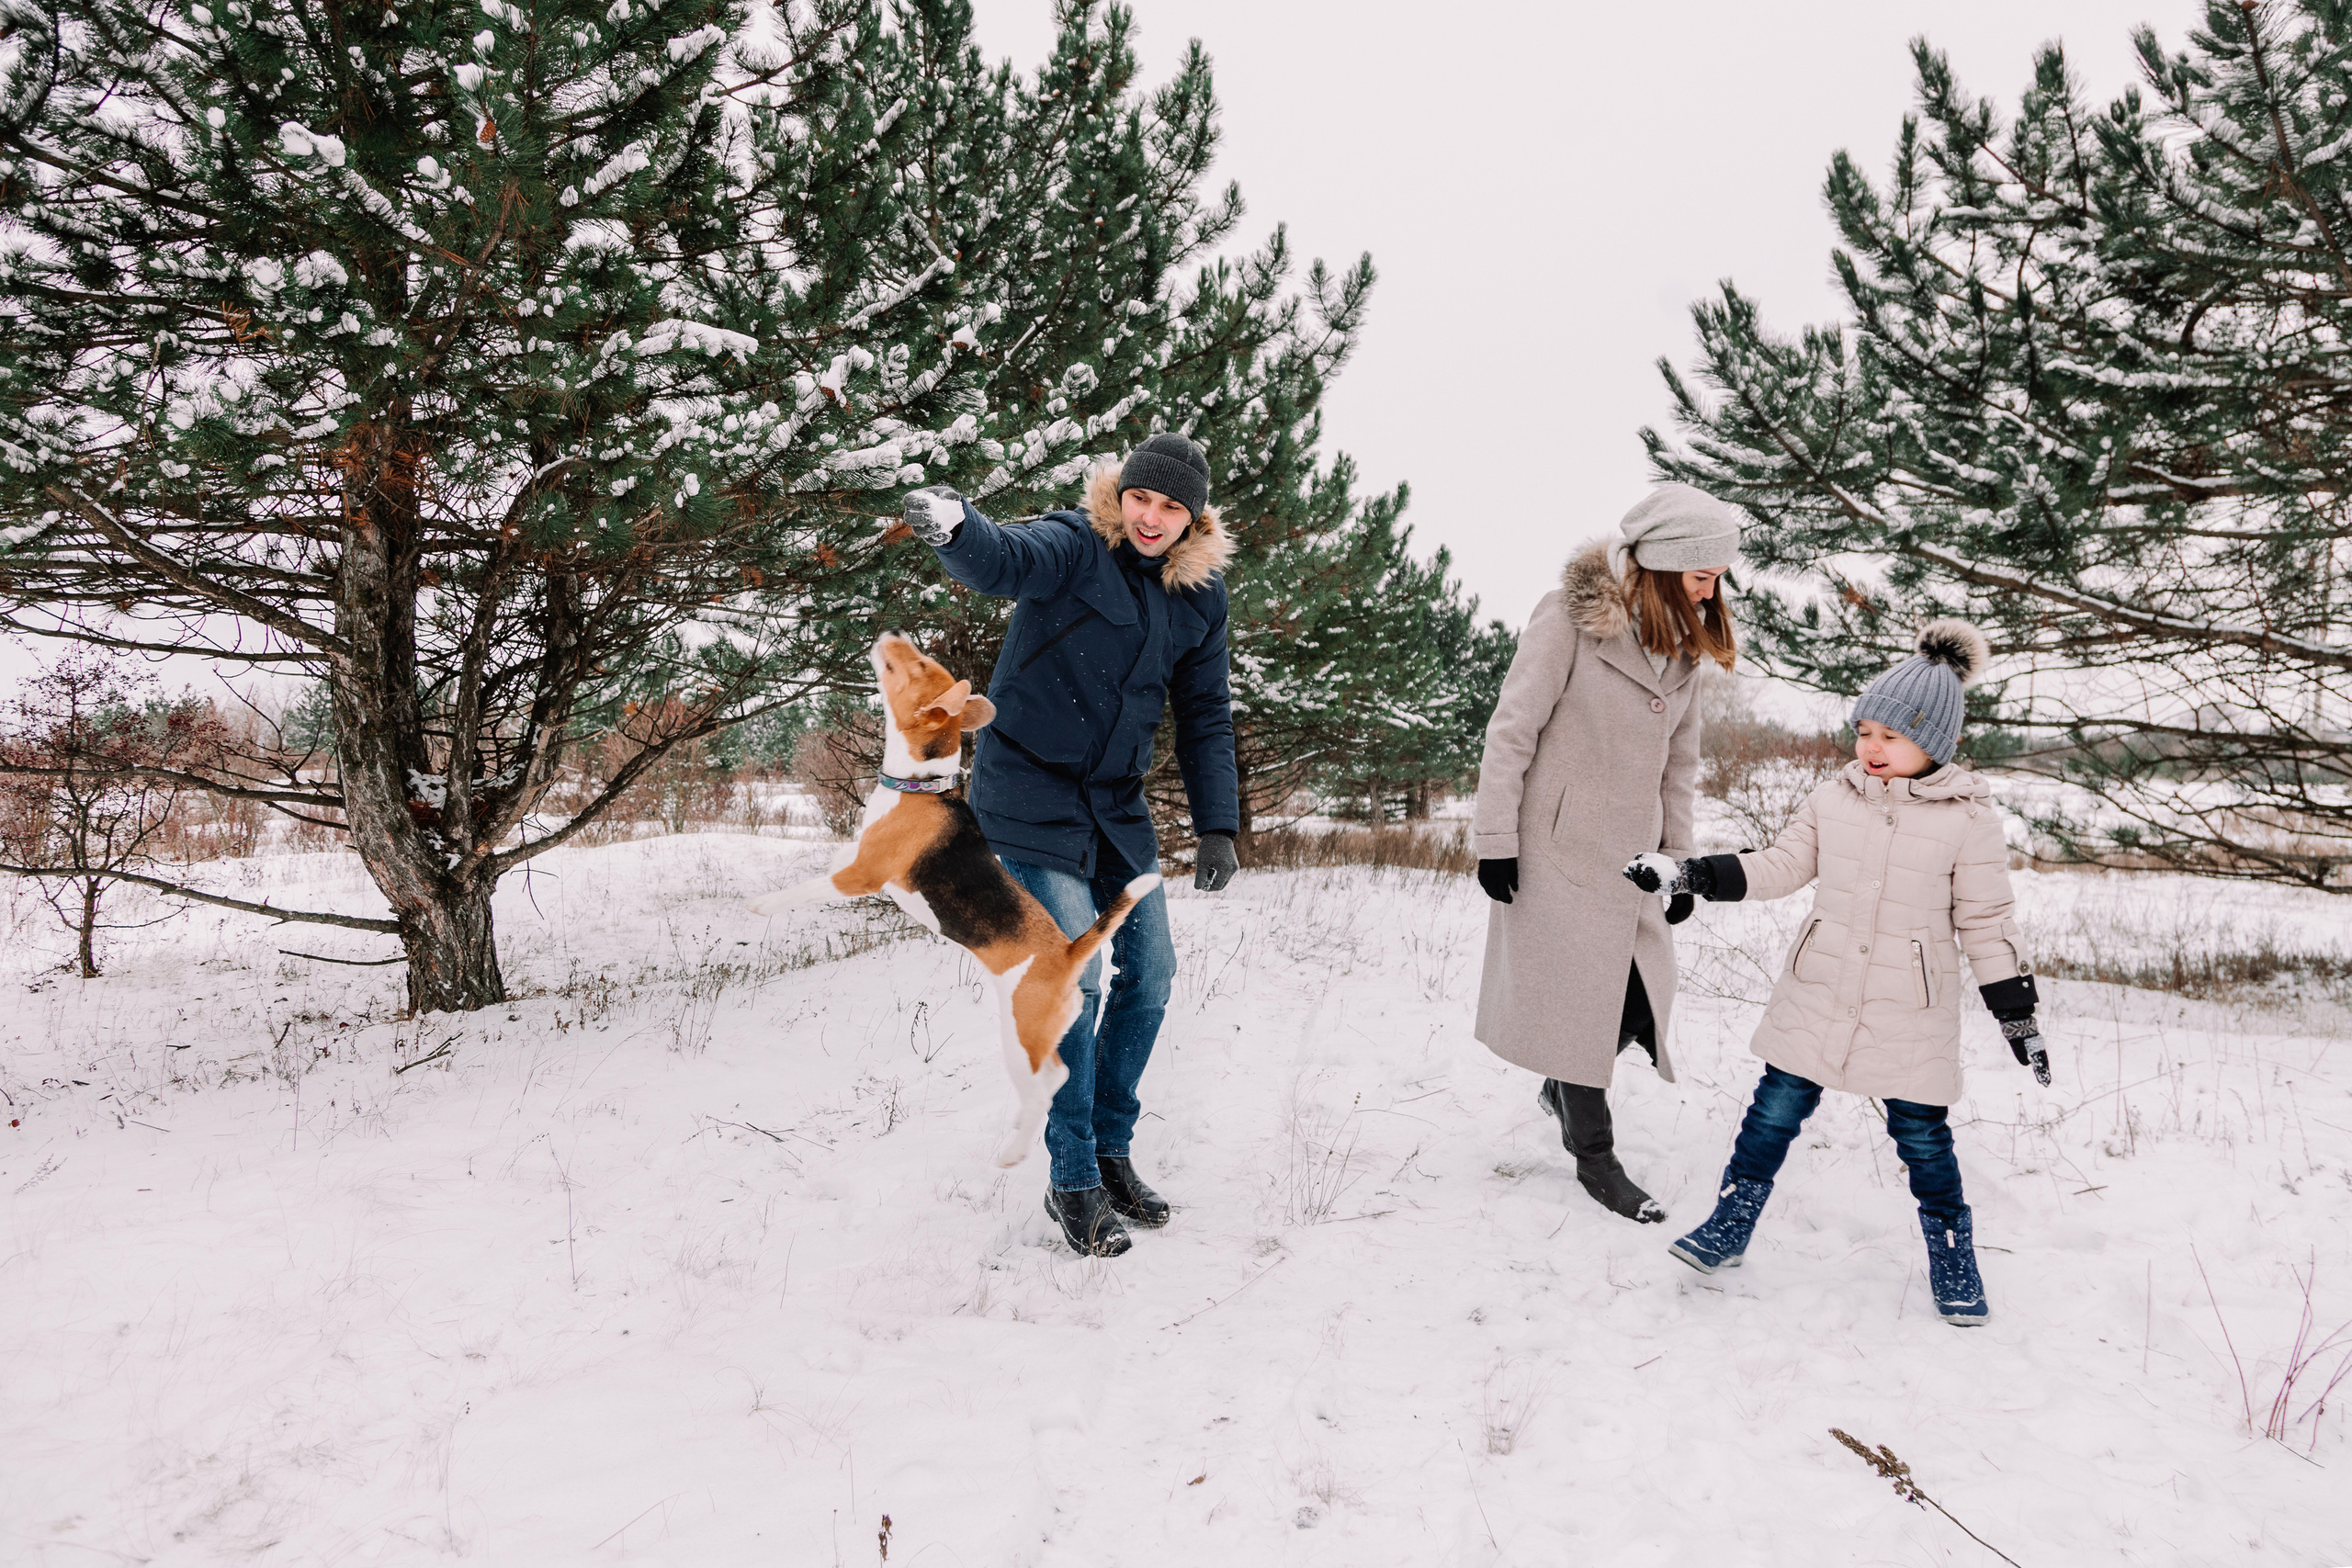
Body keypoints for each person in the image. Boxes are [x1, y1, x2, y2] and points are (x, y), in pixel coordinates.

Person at [1623, 619, 2051, 1325]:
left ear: (1936, 743)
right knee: (1771, 1113)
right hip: (1819, 991)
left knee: (1923, 1139)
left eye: (1892, 735)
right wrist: (1689, 874)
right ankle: (1731, 1220)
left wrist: (2017, 1015)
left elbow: (1987, 923)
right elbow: (1778, 865)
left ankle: (1952, 1251)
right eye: (1865, 731)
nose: (1872, 747)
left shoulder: (1968, 820)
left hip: (1909, 1010)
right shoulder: (1833, 799)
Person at [898, 434, 1239, 1258]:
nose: (1150, 517)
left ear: (1193, 518)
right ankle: (1074, 1175)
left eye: (1170, 507)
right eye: (1140, 497)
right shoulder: (1077, 544)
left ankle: (1112, 1149)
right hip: (1029, 795)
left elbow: (1204, 714)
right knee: (1072, 981)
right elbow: (1004, 558)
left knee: (1151, 971)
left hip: (1115, 807)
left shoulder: (1199, 596)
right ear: (1122, 494)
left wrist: (1218, 823)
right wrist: (957, 528)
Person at [1470, 485, 1742, 1222]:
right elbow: (1512, 730)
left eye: (1718, 576)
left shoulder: (1684, 646)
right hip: (1556, 850)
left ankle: (1561, 1086)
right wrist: (1495, 840)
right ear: (1664, 565)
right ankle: (1596, 1157)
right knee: (1580, 1006)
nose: (1711, 590)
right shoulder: (1568, 619)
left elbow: (1679, 765)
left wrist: (1679, 861)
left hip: (1631, 860)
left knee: (1639, 999)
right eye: (1701, 575)